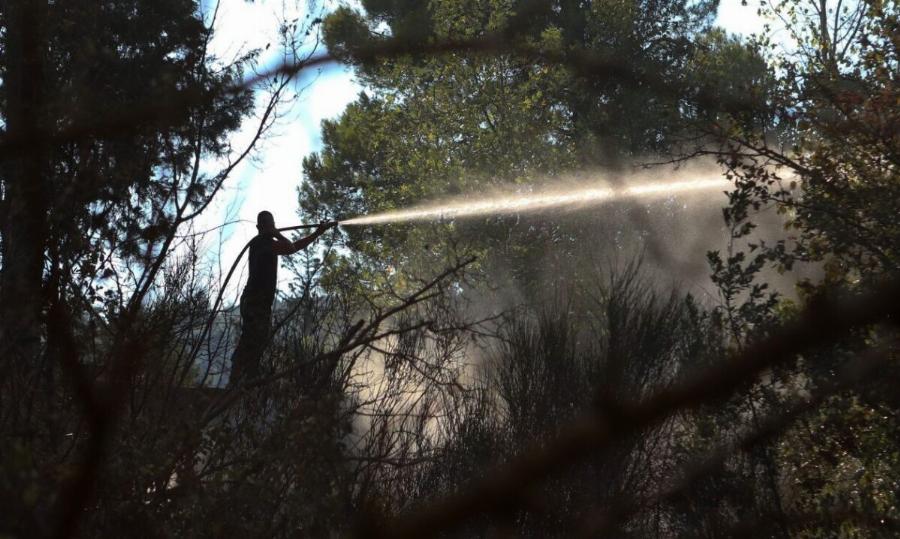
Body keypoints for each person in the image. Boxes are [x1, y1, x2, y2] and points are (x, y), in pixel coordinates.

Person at [229, 211, 334, 386]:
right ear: (259, 227)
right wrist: (276, 233)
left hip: (258, 300)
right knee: (253, 337)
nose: (270, 226)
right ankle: (240, 378)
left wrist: (317, 233)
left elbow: (295, 246)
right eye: (267, 224)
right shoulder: (260, 243)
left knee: (257, 338)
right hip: (255, 300)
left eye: (271, 223)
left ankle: (246, 377)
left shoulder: (268, 243)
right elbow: (291, 247)